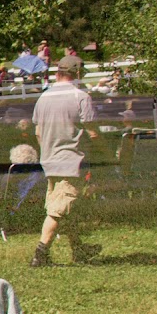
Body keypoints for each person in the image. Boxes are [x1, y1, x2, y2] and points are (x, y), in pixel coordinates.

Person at [30, 55, 99, 267]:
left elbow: (38, 132)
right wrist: (104, 154)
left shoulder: (43, 98)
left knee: (67, 207)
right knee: (59, 210)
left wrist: (48, 152)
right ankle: (40, 254)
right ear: (77, 74)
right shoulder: (81, 97)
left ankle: (78, 249)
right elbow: (92, 132)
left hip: (49, 159)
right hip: (71, 160)